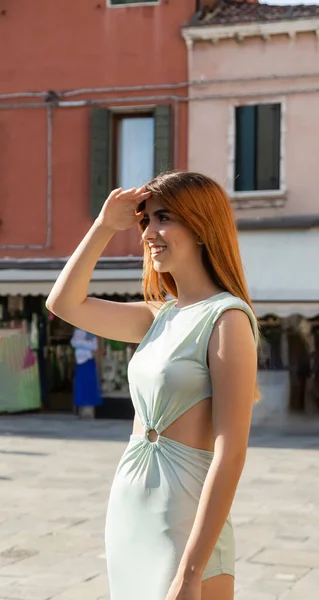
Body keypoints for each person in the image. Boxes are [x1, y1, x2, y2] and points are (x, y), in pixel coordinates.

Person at [46, 171, 259, 600]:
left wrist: (191, 572)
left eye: (164, 218)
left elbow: (231, 454)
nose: (149, 233)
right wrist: (105, 225)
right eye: (145, 221)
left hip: (184, 523)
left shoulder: (227, 319)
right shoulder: (157, 316)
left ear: (201, 226)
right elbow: (63, 303)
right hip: (130, 510)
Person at [70, 327, 102, 417]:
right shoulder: (78, 330)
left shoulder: (91, 331)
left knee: (89, 385)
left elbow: (94, 346)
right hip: (81, 361)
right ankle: (81, 409)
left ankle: (88, 411)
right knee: (82, 385)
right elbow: (74, 342)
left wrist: (82, 345)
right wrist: (86, 346)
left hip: (89, 361)